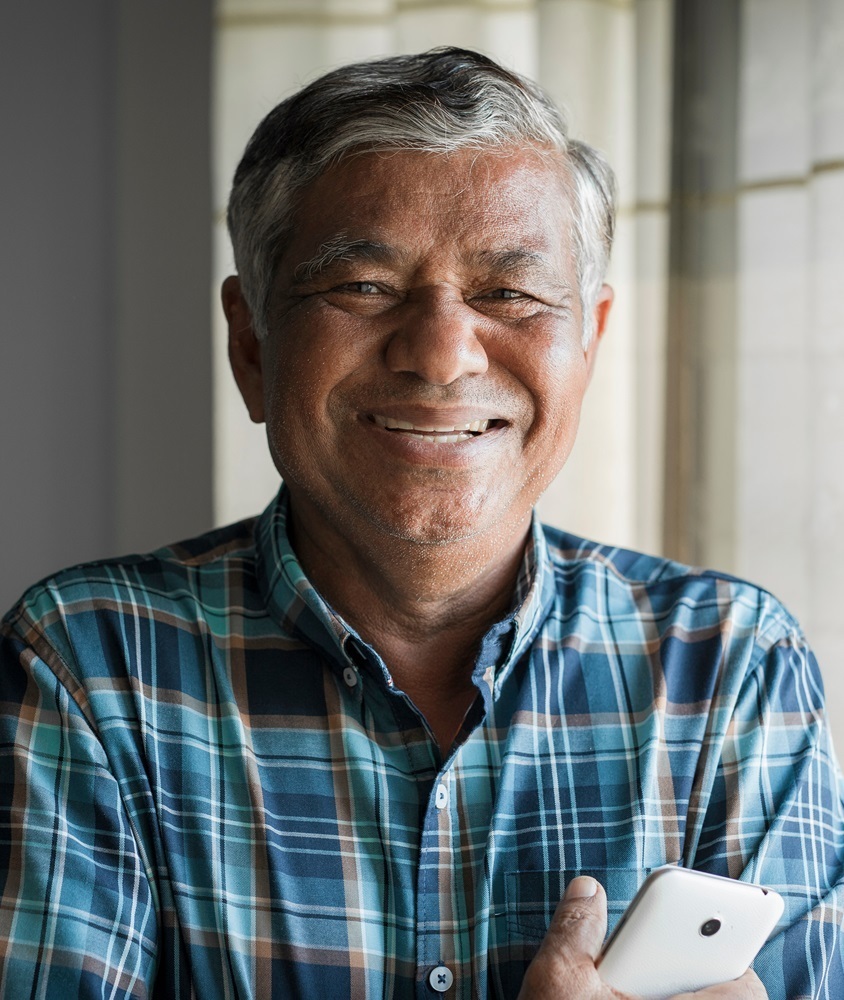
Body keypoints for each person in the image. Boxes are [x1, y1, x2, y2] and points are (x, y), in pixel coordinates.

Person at [0, 47, 840, 1000]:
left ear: (589, 343)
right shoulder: (90, 665)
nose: (443, 356)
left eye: (510, 293)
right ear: (250, 344)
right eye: (363, 287)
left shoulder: (732, 664)